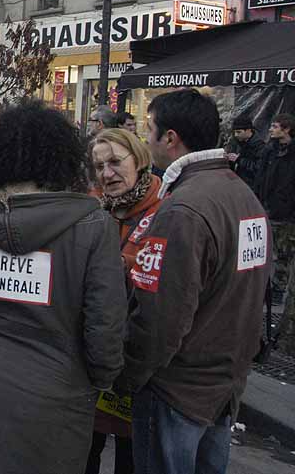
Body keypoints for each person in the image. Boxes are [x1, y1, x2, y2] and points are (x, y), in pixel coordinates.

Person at [0, 99, 127, 474]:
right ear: (64, 159)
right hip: (56, 399)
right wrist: (100, 380)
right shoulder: (95, 228)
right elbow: (105, 332)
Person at [114, 89, 269, 474]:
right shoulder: (243, 196)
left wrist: (129, 375)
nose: (146, 139)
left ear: (170, 138)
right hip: (221, 384)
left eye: (149, 130)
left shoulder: (182, 210)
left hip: (177, 388)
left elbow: (162, 316)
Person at [87, 128, 164, 474]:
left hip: (139, 368)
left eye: (116, 162)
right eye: (100, 165)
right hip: (95, 363)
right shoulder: (93, 208)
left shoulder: (166, 210)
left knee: (130, 461)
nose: (107, 173)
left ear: (140, 159)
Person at [258, 114, 295, 355]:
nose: (271, 129)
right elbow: (263, 179)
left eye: (275, 126)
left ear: (287, 129)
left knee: (283, 254)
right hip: (269, 207)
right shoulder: (270, 151)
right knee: (269, 253)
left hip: (287, 214)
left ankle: (279, 290)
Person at [227, 116, 265, 189]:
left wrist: (239, 160)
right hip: (236, 181)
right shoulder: (236, 141)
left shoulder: (260, 146)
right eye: (234, 132)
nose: (236, 135)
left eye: (238, 132)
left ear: (248, 130)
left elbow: (259, 168)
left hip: (251, 186)